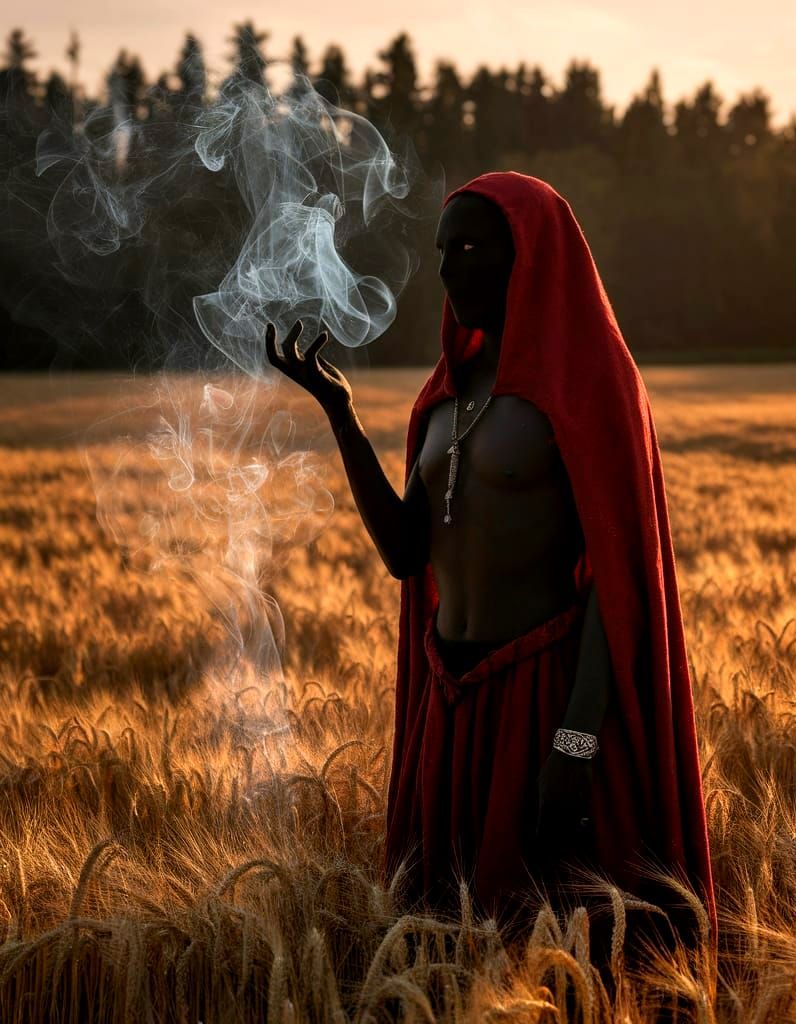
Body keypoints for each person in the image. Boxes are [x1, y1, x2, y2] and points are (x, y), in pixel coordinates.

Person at [265, 171, 716, 969]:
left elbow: (620, 579)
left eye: (472, 248)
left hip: (544, 703)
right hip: (451, 705)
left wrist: (575, 742)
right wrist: (340, 416)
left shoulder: (587, 390)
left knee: (557, 952)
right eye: (443, 250)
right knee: (448, 946)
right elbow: (407, 553)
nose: (449, 269)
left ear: (529, 260)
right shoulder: (443, 400)